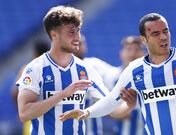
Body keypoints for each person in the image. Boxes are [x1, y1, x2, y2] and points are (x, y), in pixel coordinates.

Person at [59, 13, 176, 135]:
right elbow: (111, 100)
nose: (163, 37)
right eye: (155, 34)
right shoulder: (135, 69)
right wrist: (86, 112)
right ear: (144, 40)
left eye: (165, 31)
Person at [16, 5, 136, 135]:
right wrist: (63, 94)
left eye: (78, 31)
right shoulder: (35, 68)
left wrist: (129, 105)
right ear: (54, 35)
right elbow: (24, 113)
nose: (77, 37)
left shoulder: (85, 69)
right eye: (71, 32)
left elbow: (110, 108)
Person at [104, 36, 145, 135]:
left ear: (144, 53)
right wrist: (116, 113)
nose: (132, 53)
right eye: (128, 49)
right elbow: (103, 106)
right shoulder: (111, 77)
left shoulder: (151, 76)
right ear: (121, 53)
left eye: (137, 49)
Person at [12, 40, 50, 135]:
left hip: (33, 116)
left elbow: (14, 93)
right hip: (52, 117)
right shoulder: (55, 69)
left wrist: (20, 110)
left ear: (35, 53)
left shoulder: (27, 69)